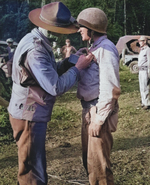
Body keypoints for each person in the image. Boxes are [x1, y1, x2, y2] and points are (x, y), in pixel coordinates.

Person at [7, 2, 94, 185]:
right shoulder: (36, 51)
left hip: (28, 111)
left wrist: (71, 60)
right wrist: (77, 68)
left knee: (32, 164)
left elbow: (48, 71)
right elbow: (55, 86)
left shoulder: (35, 40)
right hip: (29, 114)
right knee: (32, 173)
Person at [76, 7, 121, 185]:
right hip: (89, 109)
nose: (79, 29)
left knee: (99, 168)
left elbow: (111, 89)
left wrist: (99, 119)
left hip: (97, 111)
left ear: (92, 29)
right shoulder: (96, 47)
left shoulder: (106, 49)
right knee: (90, 163)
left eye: (82, 26)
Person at [138, 35, 150, 110]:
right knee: (141, 87)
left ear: (144, 41)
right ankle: (143, 101)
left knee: (145, 87)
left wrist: (149, 72)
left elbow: (149, 61)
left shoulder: (148, 49)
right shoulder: (142, 50)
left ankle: (147, 103)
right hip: (140, 70)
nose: (139, 43)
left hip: (145, 70)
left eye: (141, 41)